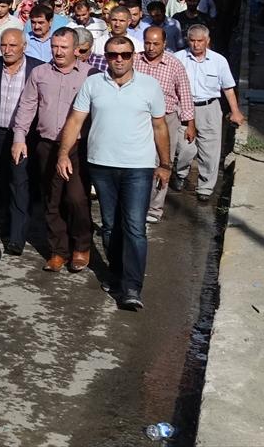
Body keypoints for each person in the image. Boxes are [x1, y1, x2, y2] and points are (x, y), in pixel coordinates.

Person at [56, 35, 169, 311]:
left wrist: (165, 164)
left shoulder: (149, 86)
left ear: (134, 56)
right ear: (104, 56)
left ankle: (132, 287)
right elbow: (75, 121)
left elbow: (160, 127)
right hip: (102, 166)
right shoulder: (93, 84)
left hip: (138, 167)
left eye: (125, 54)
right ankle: (117, 274)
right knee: (110, 226)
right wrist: (62, 153)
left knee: (134, 226)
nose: (119, 59)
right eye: (113, 54)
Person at [11, 28, 97, 273]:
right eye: (54, 47)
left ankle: (81, 245)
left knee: (77, 198)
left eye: (64, 47)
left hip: (78, 147)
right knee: (52, 199)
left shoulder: (91, 75)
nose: (58, 52)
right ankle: (59, 250)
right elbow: (27, 106)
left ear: (76, 49)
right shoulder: (39, 73)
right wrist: (19, 138)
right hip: (47, 145)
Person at [0, 29, 42, 255]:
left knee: (19, 183)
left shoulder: (37, 68)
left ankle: (16, 237)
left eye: (13, 46)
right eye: (3, 45)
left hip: (22, 136)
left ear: (24, 46)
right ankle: (5, 218)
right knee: (2, 180)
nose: (7, 50)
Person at [175, 24, 245, 202]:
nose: (196, 45)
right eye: (192, 41)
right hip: (184, 106)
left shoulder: (218, 61)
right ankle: (180, 174)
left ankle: (205, 187)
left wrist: (235, 111)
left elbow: (228, 88)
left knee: (210, 150)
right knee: (184, 147)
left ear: (207, 41)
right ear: (187, 40)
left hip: (210, 107)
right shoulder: (178, 58)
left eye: (200, 41)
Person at [134, 26, 195, 222]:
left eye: (156, 44)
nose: (151, 48)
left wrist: (190, 124)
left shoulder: (174, 65)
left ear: (164, 44)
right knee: (140, 163)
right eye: (148, 43)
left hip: (167, 119)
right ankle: (137, 204)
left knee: (163, 162)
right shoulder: (134, 60)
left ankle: (155, 208)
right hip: (139, 118)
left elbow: (184, 95)